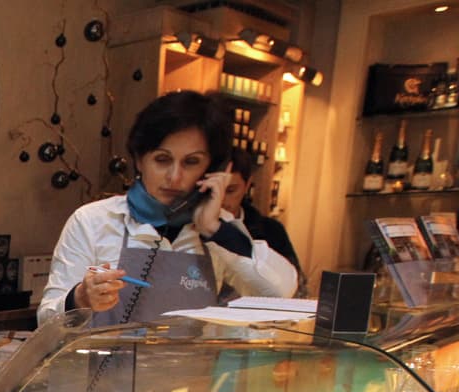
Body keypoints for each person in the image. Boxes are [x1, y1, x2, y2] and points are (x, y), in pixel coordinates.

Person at [39, 90, 297, 327]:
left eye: (191, 162)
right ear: (139, 160)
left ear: (212, 169)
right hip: (106, 364)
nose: (175, 177)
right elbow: (47, 320)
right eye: (162, 159)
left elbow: (280, 293)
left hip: (190, 365)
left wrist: (215, 230)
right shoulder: (93, 220)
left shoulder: (218, 230)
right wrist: (80, 298)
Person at [222, 148, 303, 288]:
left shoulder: (272, 231)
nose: (221, 200)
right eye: (213, 190)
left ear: (247, 185)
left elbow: (298, 287)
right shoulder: (192, 228)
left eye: (230, 190)